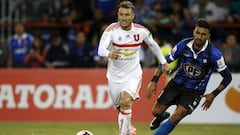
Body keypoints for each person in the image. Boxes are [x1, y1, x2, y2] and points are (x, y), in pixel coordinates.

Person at [146, 18, 232, 135]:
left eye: (203, 34)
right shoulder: (183, 45)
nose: (199, 37)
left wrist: (213, 94)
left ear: (208, 36)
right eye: (197, 33)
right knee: (156, 111)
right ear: (193, 32)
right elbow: (164, 62)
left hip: (194, 91)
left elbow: (227, 77)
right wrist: (154, 81)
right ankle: (162, 116)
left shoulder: (214, 54)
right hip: (176, 84)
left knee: (178, 115)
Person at [97, 1, 171, 135]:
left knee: (126, 101)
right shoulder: (111, 30)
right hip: (114, 76)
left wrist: (164, 62)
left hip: (133, 74)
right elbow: (101, 50)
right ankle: (130, 130)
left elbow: (153, 45)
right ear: (118, 15)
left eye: (127, 15)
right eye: (121, 14)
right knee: (121, 109)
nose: (123, 18)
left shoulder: (141, 31)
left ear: (133, 16)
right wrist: (109, 53)